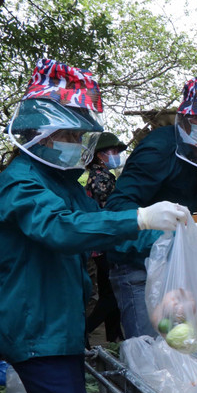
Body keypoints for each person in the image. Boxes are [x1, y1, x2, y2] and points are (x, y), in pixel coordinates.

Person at [0, 59, 189, 393]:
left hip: (59, 327)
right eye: (72, 132)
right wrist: (140, 214)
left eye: (82, 134)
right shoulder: (21, 184)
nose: (78, 144)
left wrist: (171, 234)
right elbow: (63, 231)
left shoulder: (61, 180)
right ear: (42, 129)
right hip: (37, 334)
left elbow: (102, 225)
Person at [106, 75, 197, 338]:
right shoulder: (158, 149)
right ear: (185, 117)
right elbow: (118, 206)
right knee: (150, 350)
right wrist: (167, 234)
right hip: (138, 263)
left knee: (181, 343)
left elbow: (175, 190)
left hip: (173, 262)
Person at [84, 132, 127, 343]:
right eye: (114, 151)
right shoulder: (101, 179)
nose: (117, 155)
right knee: (112, 294)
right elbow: (109, 212)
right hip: (104, 242)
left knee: (108, 292)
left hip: (100, 242)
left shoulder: (101, 176)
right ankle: (85, 329)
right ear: (101, 155)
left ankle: (114, 337)